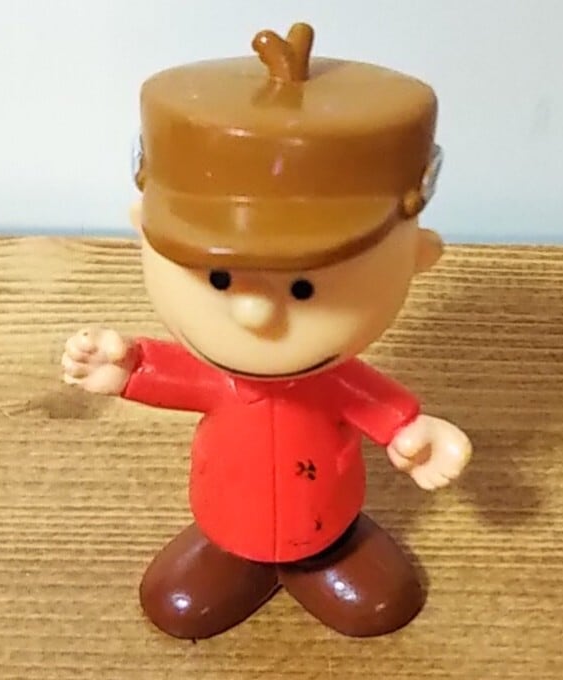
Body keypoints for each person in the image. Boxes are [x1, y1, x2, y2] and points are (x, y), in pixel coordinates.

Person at [62, 22, 471, 639]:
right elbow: (177, 375)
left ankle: (326, 556)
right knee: (180, 601)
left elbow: (371, 403)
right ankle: (235, 556)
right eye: (220, 279)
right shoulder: (217, 377)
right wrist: (127, 368)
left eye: (303, 288)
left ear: (418, 257)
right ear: (140, 230)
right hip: (226, 516)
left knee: (376, 599)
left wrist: (413, 431)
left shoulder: (332, 381)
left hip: (327, 517)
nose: (255, 316)